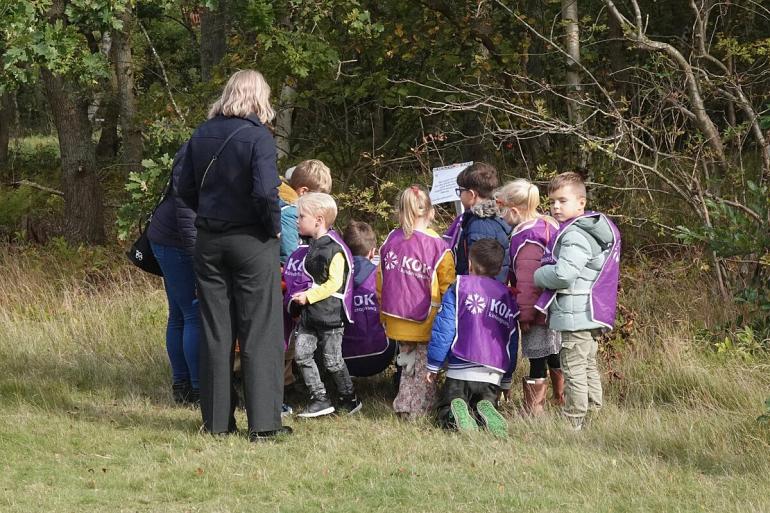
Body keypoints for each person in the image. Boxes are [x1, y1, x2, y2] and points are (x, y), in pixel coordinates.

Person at [176, 69, 290, 441]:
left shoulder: (201, 133)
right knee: (260, 329)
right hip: (251, 240)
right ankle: (264, 424)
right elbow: (264, 191)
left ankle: (217, 423)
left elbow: (184, 186)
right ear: (260, 97)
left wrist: (208, 214)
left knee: (215, 330)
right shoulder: (258, 137)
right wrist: (272, 225)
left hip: (209, 239)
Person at [533, 172, 621, 430]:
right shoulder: (586, 230)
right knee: (587, 365)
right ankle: (595, 414)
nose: (556, 207)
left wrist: (538, 275)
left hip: (575, 314)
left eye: (562, 200)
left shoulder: (574, 235)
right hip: (586, 312)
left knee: (573, 370)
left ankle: (573, 422)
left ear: (581, 203)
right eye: (552, 202)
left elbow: (563, 275)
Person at [377, 185, 455, 419]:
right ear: (430, 212)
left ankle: (403, 405)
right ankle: (420, 410)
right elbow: (447, 286)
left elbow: (380, 277)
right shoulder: (439, 246)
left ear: (400, 212)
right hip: (423, 318)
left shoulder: (391, 238)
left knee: (407, 364)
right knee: (424, 368)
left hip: (394, 317)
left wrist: (382, 312)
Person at [427, 239, 519, 437]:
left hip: (461, 367)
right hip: (492, 373)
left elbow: (444, 328)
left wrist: (434, 364)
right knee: (482, 406)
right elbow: (512, 339)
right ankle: (486, 407)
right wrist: (507, 377)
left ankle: (453, 410)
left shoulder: (459, 287)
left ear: (469, 263)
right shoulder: (507, 296)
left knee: (445, 408)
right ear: (498, 268)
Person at [287, 193, 361, 417]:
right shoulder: (310, 245)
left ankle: (349, 398)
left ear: (318, 219)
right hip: (310, 315)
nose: (297, 220)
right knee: (301, 354)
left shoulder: (335, 248)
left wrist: (309, 296)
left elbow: (334, 283)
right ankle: (319, 397)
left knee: (333, 361)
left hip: (329, 315)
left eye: (301, 216)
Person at [495, 179, 562, 416]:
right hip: (555, 305)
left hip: (536, 308)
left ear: (514, 210)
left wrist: (524, 314)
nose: (502, 217)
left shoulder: (526, 237)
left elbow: (526, 281)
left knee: (537, 356)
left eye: (503, 211)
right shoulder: (547, 225)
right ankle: (561, 399)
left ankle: (535, 410)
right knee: (555, 351)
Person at [147, 143, 200, 405]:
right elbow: (186, 211)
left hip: (166, 238)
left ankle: (183, 385)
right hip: (175, 242)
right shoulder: (196, 153)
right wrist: (195, 255)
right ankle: (196, 388)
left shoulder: (193, 148)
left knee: (180, 313)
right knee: (193, 312)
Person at [341, 221, 395, 377]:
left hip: (344, 360)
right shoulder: (383, 276)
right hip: (382, 356)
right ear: (373, 252)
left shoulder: (336, 278)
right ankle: (400, 379)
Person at [452, 162, 512, 283]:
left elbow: (480, 268)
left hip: (481, 293)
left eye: (460, 191)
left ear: (472, 194)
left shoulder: (479, 225)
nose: (460, 195)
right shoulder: (492, 218)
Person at [279, 159, 333, 264]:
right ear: (303, 191)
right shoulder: (288, 213)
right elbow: (290, 258)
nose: (319, 204)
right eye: (317, 199)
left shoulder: (294, 210)